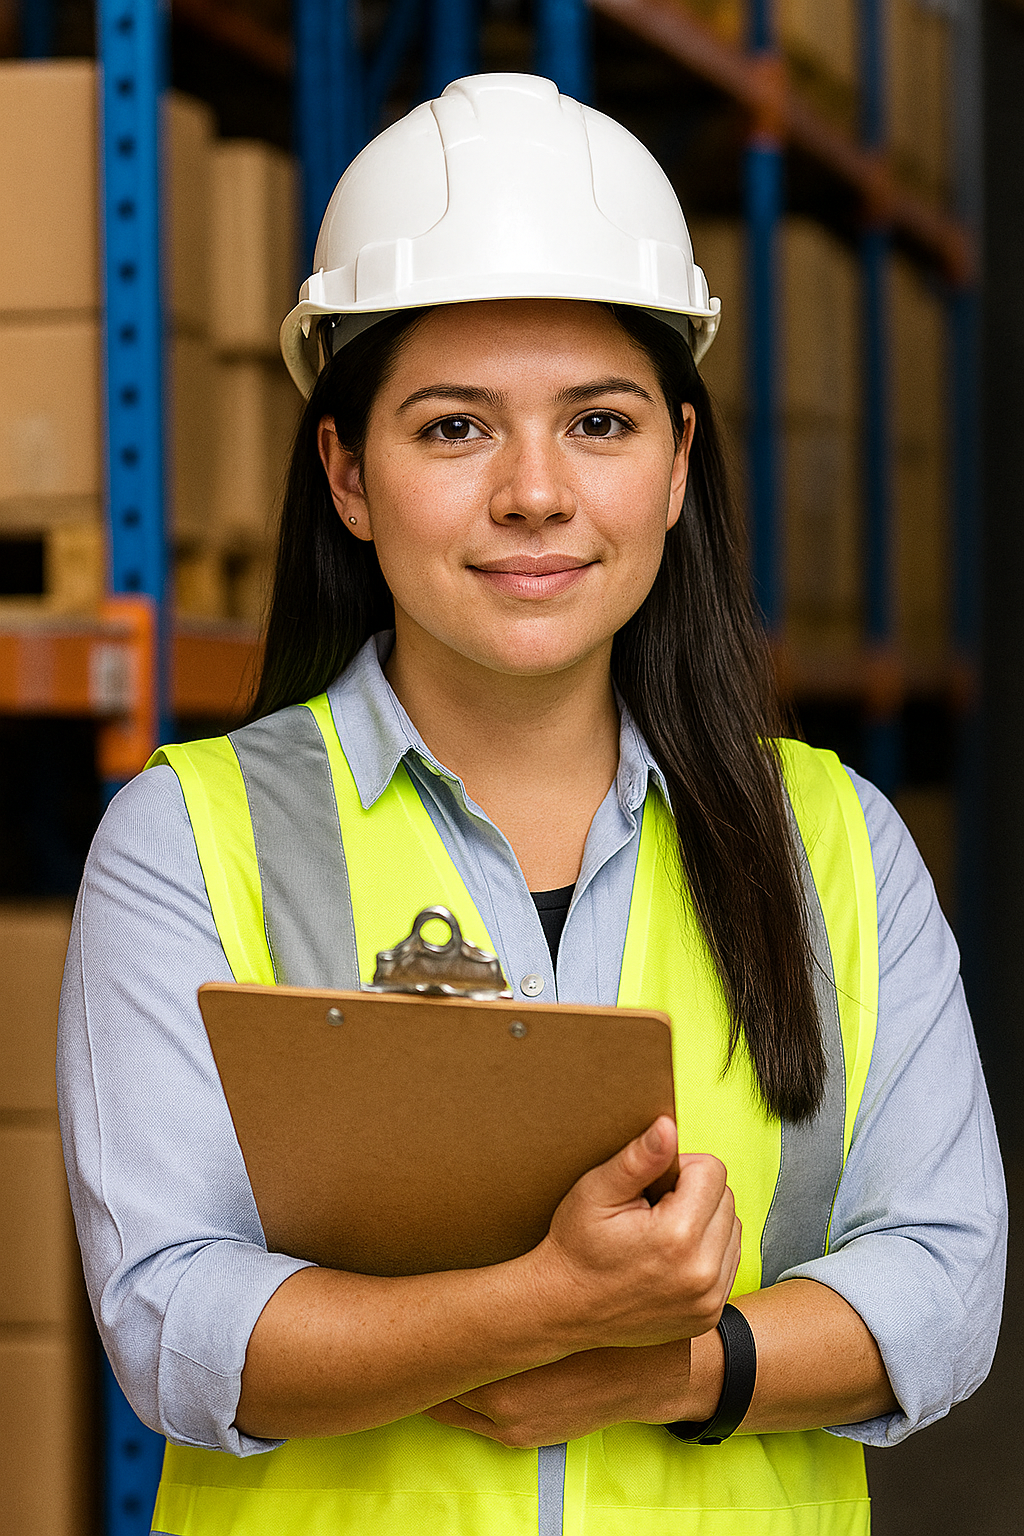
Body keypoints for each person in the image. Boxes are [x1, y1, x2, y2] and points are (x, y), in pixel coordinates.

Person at [57, 75, 1005, 1536]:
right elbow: (175, 1321)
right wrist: (536, 1309)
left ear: (680, 464)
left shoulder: (838, 849)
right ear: (347, 475)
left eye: (601, 423)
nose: (536, 494)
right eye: (452, 430)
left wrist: (673, 1368)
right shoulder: (189, 842)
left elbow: (943, 1286)